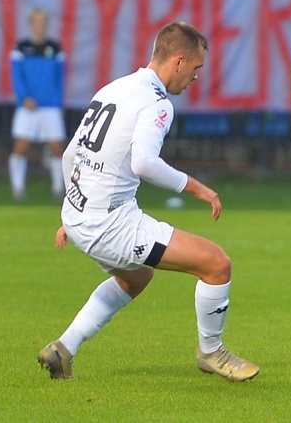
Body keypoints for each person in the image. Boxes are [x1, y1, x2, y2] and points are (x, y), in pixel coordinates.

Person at [37, 22, 259, 382]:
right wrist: (198, 188)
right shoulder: (156, 103)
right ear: (179, 61)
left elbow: (69, 155)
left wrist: (73, 208)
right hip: (110, 225)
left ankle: (63, 348)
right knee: (217, 265)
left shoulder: (114, 88)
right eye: (196, 69)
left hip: (78, 213)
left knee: (135, 278)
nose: (195, 78)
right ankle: (211, 352)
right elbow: (144, 163)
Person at [9, 7, 66, 200]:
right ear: (31, 23)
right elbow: (17, 76)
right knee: (21, 146)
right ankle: (18, 188)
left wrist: (57, 101)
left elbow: (59, 78)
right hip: (27, 106)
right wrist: (24, 96)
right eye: (37, 20)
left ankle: (59, 188)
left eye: (43, 21)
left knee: (57, 147)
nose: (40, 24)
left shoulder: (55, 48)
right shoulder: (21, 48)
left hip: (50, 106)